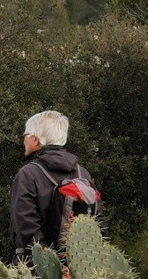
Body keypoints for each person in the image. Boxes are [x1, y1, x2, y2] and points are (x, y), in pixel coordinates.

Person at [10, 109, 101, 268]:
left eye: (25, 136)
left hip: (37, 277)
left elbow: (26, 227)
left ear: (35, 140)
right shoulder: (82, 173)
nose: (23, 140)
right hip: (80, 272)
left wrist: (53, 270)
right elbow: (98, 221)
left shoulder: (28, 174)